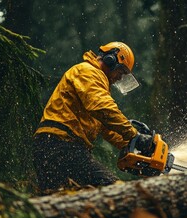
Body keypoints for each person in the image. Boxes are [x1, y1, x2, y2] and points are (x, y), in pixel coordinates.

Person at [33, 41, 151, 193]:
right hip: (61, 144)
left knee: (61, 199)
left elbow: (106, 126)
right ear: (111, 59)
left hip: (55, 145)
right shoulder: (88, 71)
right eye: (120, 73)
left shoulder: (95, 81)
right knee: (114, 190)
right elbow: (103, 108)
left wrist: (129, 144)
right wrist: (134, 135)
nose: (118, 79)